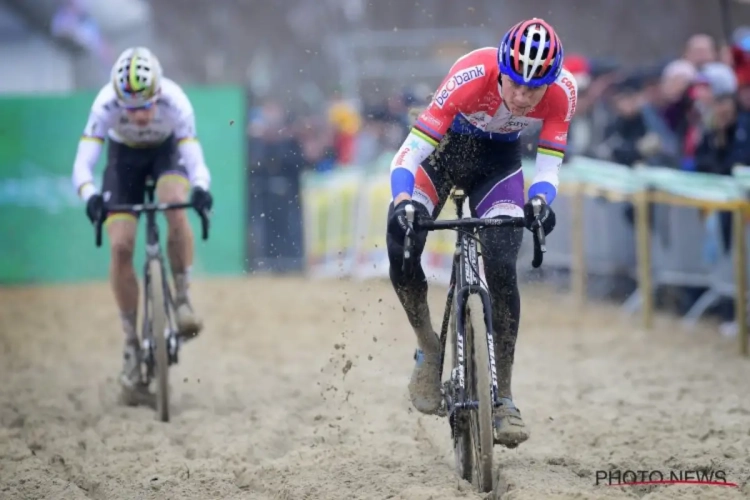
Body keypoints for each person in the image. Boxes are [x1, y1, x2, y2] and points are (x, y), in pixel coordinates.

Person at [385, 19, 576, 448]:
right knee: (400, 243)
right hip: (443, 152)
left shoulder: (564, 91)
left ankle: (504, 396)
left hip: (498, 165)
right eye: (516, 85)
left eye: (535, 88)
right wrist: (403, 202)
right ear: (502, 69)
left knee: (503, 263)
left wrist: (542, 201)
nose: (524, 97)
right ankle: (428, 346)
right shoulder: (471, 74)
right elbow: (409, 152)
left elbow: (549, 164)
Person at [70, 47, 214, 400]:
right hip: (124, 163)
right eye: (130, 109)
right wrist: (89, 195)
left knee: (173, 205)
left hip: (166, 155)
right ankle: (132, 346)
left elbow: (195, 159)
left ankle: (181, 298)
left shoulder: (177, 102)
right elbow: (82, 165)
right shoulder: (104, 105)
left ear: (159, 93)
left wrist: (200, 189)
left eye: (146, 106)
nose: (139, 117)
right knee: (120, 247)